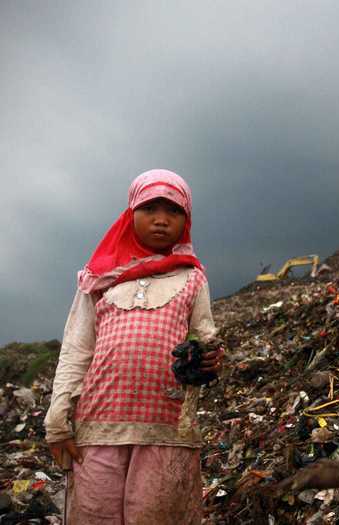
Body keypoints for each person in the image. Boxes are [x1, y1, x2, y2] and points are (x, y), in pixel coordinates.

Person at [44, 169, 224, 524]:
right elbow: (77, 349)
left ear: (185, 220)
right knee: (95, 513)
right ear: (131, 214)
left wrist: (208, 360)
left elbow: (206, 339)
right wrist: (57, 419)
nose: (161, 220)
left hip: (166, 426)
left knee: (155, 514)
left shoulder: (192, 276)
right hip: (99, 424)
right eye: (150, 209)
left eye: (173, 211)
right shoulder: (98, 278)